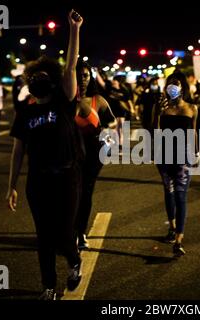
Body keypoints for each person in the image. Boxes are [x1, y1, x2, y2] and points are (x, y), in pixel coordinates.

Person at [6, 10, 84, 300]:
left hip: (67, 176)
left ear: (51, 79)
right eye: (32, 76)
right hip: (38, 181)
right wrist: (11, 185)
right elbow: (18, 150)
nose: (37, 79)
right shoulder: (25, 111)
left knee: (64, 232)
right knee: (44, 237)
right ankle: (48, 287)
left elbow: (71, 66)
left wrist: (74, 30)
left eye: (41, 75)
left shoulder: (64, 102)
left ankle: (74, 261)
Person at [74, 61, 116, 250]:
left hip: (93, 156)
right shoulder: (65, 100)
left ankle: (80, 232)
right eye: (79, 75)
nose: (82, 79)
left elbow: (112, 122)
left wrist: (105, 134)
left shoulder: (97, 100)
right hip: (70, 156)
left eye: (85, 75)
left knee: (85, 193)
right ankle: (69, 231)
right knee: (71, 194)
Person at [155, 76, 198, 257]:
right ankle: (172, 227)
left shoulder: (191, 108)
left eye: (177, 86)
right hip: (164, 156)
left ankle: (178, 240)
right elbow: (154, 130)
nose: (173, 89)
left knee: (181, 196)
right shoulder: (162, 109)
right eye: (170, 86)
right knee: (169, 193)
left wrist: (196, 153)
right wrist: (158, 112)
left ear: (183, 88)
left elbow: (194, 131)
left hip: (184, 158)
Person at [96, 72, 131, 150]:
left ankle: (120, 144)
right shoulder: (109, 88)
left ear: (118, 82)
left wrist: (132, 109)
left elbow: (128, 101)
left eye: (114, 80)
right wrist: (97, 72)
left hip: (121, 111)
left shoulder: (124, 90)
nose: (113, 81)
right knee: (112, 128)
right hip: (111, 111)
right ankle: (110, 145)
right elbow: (101, 82)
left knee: (120, 128)